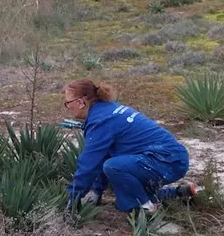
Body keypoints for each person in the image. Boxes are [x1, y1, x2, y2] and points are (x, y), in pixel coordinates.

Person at [63, 78, 196, 217]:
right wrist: (96, 193)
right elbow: (101, 157)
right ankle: (178, 194)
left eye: (67, 103)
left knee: (114, 167)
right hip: (169, 157)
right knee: (124, 198)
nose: (67, 108)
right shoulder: (107, 110)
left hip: (165, 161)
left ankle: (145, 210)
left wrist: (73, 197)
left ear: (80, 102)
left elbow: (88, 164)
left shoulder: (101, 120)